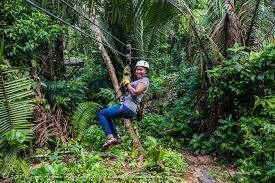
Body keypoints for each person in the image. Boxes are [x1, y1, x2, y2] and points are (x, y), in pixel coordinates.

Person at [98, 60, 150, 150]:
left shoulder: (145, 81)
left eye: (141, 70)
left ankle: (110, 138)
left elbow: (134, 92)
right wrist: (126, 80)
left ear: (146, 71)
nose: (138, 71)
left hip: (127, 108)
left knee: (102, 113)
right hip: (128, 108)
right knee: (107, 116)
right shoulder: (138, 81)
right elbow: (129, 92)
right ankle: (116, 138)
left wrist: (127, 82)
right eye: (137, 69)